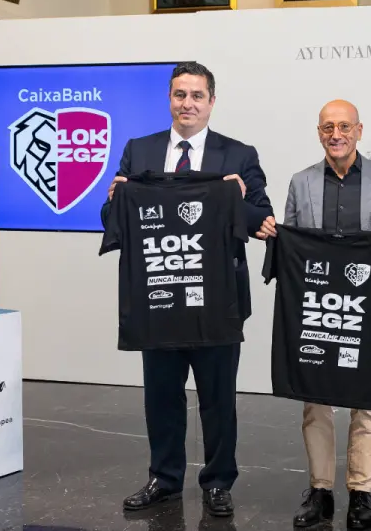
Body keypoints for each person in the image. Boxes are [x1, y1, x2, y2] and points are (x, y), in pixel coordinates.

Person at [103, 61, 273, 517]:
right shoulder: (139, 150)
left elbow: (263, 220)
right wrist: (115, 199)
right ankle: (164, 478)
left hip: (217, 300)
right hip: (158, 296)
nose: (188, 104)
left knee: (218, 399)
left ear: (211, 102)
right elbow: (113, 219)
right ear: (169, 99)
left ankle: (218, 482)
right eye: (180, 94)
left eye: (197, 95)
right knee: (161, 396)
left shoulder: (238, 155)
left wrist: (238, 199)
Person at [257, 100, 371, 530]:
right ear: (318, 132)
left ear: (359, 130)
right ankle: (320, 490)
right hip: (317, 308)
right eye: (327, 127)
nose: (335, 134)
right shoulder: (301, 181)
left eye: (344, 126)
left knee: (366, 401)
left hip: (368, 307)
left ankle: (361, 492)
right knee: (315, 400)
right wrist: (273, 234)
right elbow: (290, 243)